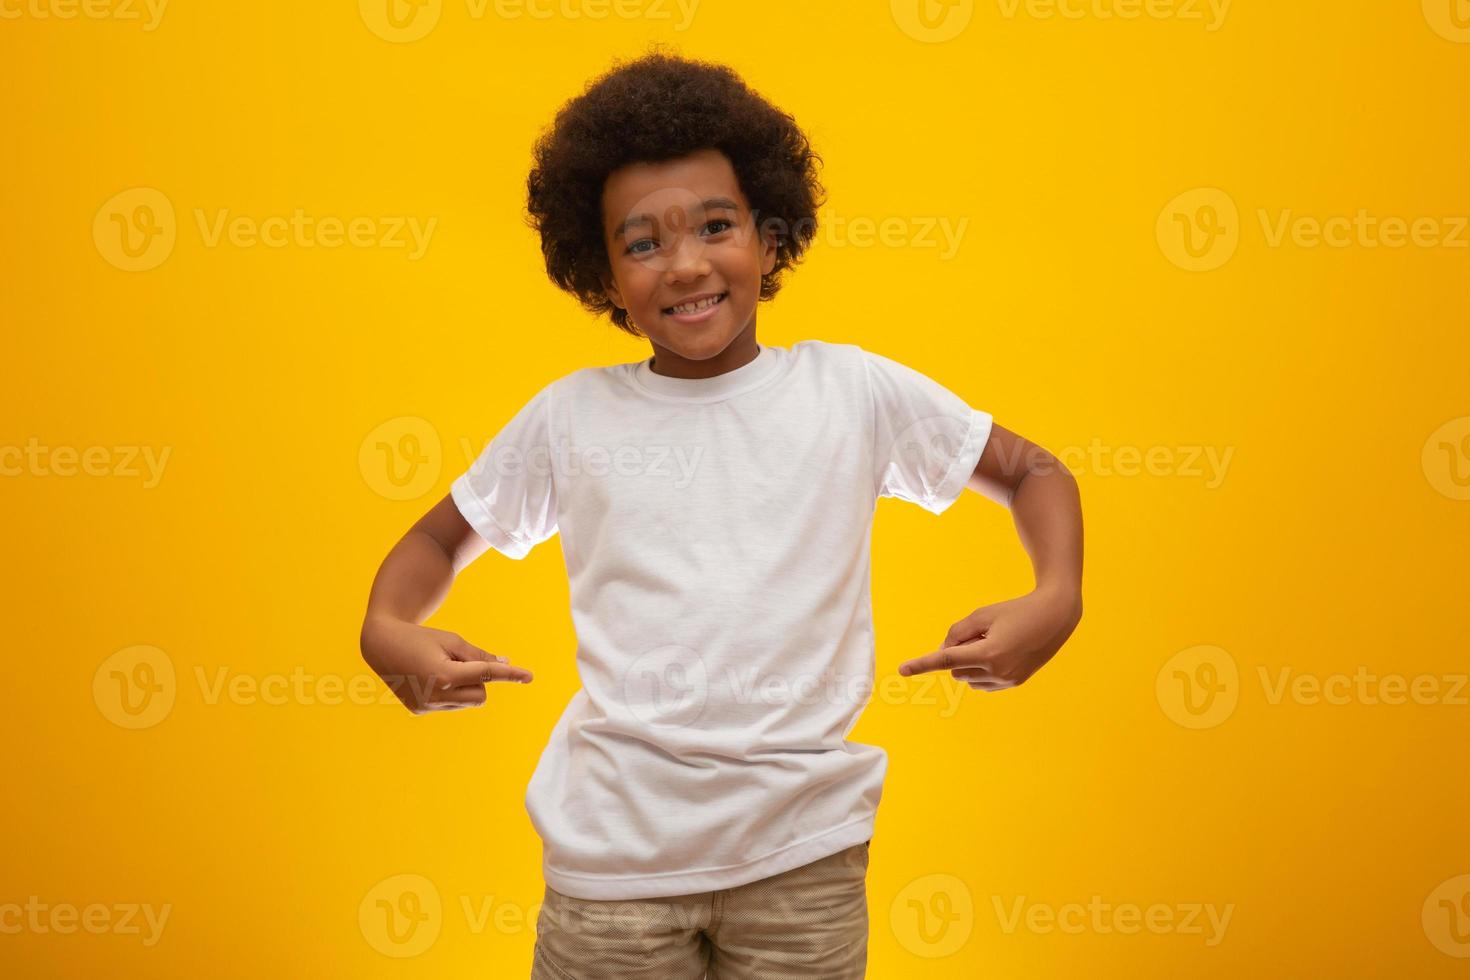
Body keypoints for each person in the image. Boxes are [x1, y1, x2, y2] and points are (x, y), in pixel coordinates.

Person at [360, 47, 1084, 980]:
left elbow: (1036, 472)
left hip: (805, 855)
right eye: (643, 242)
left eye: (715, 225)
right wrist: (387, 629)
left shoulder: (853, 391)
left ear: (770, 238)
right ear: (604, 273)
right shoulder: (573, 416)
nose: (686, 264)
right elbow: (435, 537)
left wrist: (1055, 594)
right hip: (610, 866)